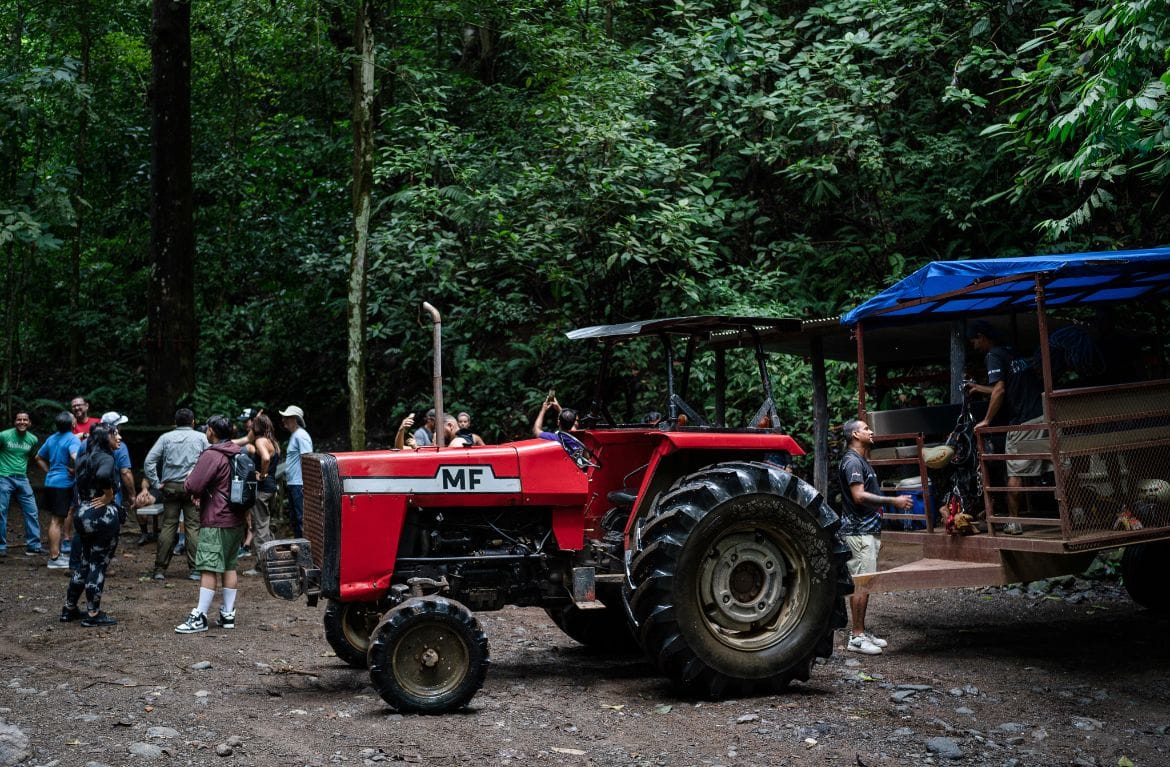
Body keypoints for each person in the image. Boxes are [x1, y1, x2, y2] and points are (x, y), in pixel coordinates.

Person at [838, 418, 913, 655]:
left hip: (866, 532)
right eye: (866, 429)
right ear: (855, 435)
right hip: (859, 533)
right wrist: (893, 500)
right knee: (862, 584)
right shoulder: (852, 462)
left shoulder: (861, 460)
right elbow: (859, 496)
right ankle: (856, 637)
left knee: (865, 583)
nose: (871, 432)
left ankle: (861, 631)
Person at [964, 320, 1047, 532]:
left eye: (974, 342)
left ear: (981, 337)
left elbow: (1000, 390)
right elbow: (1006, 386)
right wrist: (978, 388)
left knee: (1015, 470)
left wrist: (986, 420)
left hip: (1024, 421)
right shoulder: (1011, 352)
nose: (975, 346)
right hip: (1045, 415)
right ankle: (1076, 513)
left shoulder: (992, 355)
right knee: (1057, 465)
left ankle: (1014, 521)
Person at [175, 415, 248, 634]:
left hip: (216, 518)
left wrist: (189, 479)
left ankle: (200, 616)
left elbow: (193, 485)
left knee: (208, 567)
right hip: (236, 519)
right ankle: (228, 614)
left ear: (211, 432)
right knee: (229, 565)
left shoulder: (212, 454)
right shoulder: (237, 452)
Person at [61, 423, 123, 627]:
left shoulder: (83, 458)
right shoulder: (106, 458)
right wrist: (108, 494)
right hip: (101, 516)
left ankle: (69, 608)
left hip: (83, 513)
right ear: (106, 437)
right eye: (115, 434)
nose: (119, 438)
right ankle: (93, 613)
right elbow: (104, 475)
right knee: (98, 564)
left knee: (85, 562)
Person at [137, 408, 208, 580]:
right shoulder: (201, 438)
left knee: (169, 525)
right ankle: (195, 570)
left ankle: (159, 569)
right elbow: (210, 461)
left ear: (175, 422)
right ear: (193, 422)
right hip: (192, 488)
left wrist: (156, 483)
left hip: (170, 488)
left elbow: (149, 461)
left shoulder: (165, 438)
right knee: (193, 527)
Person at [36, 411, 81, 568]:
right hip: (63, 484)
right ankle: (54, 558)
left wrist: (49, 471)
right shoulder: (72, 439)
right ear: (73, 424)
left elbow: (38, 457)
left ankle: (55, 555)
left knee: (56, 520)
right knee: (56, 521)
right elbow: (76, 458)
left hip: (51, 482)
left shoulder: (51, 438)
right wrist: (76, 470)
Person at [0, 412, 42, 557]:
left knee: (32, 511)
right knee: (1, 512)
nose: (22, 422)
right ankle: (1, 547)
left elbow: (32, 457)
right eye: (19, 419)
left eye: (25, 420)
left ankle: (34, 546)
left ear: (29, 422)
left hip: (22, 478)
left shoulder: (32, 439)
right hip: (4, 477)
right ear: (15, 422)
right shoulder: (4, 436)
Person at [248, 413, 280, 553]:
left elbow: (266, 458)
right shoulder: (273, 442)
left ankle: (262, 562)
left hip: (262, 489)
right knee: (266, 523)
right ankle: (271, 556)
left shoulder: (260, 441)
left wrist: (261, 475)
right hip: (271, 488)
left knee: (260, 525)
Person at [280, 405, 313, 538]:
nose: (283, 420)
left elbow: (308, 459)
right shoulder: (295, 435)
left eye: (287, 418)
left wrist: (307, 483)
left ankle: (305, 546)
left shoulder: (301, 435)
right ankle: (299, 543)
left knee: (301, 517)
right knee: (295, 517)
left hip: (300, 483)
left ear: (295, 419)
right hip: (294, 482)